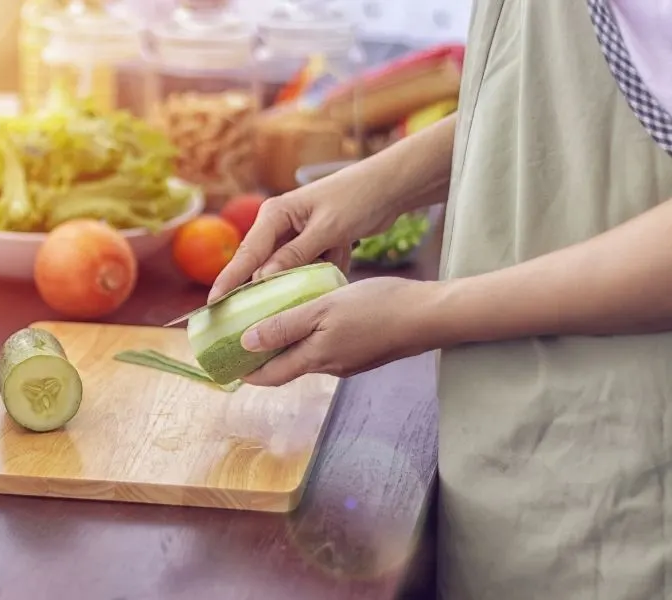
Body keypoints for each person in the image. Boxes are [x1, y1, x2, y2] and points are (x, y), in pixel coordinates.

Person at [208, 1, 672, 598]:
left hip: (628, 468)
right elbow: (578, 95)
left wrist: (421, 314)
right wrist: (387, 180)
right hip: (517, 450)